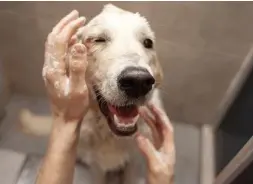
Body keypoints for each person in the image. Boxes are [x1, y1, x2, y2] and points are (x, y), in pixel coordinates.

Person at [36, 10, 175, 184]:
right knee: (92, 159)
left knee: (133, 157)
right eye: (100, 40)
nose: (140, 79)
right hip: (87, 138)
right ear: (77, 61)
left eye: (146, 42)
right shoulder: (75, 113)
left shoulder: (152, 117)